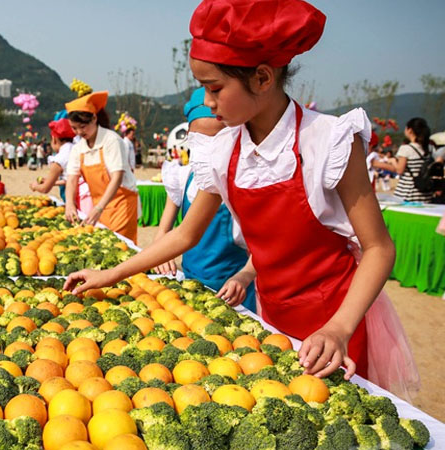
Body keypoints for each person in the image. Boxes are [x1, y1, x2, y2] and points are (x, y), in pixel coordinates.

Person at [65, 0, 418, 398]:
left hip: (336, 321)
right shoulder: (224, 150)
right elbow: (184, 235)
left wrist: (339, 327)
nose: (208, 101)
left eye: (214, 88)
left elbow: (378, 248)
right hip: (270, 319)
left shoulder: (329, 140)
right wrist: (109, 274)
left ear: (263, 78)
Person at [154, 87, 256, 311]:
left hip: (232, 294)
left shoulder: (243, 182)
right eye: (200, 139)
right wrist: (160, 254)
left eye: (216, 138)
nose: (209, 148)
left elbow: (263, 247)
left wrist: (245, 275)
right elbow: (166, 231)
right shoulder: (183, 177)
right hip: (189, 285)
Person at [64, 91, 139, 243]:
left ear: (94, 118)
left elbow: (116, 177)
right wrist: (70, 204)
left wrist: (99, 207)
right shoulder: (78, 148)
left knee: (121, 246)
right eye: (74, 128)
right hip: (99, 204)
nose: (79, 132)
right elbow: (71, 179)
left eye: (82, 127)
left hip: (121, 203)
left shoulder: (111, 140)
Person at [31, 118, 93, 215]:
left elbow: (45, 189)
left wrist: (35, 186)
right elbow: (69, 178)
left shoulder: (59, 159)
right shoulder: (76, 148)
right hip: (91, 193)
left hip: (82, 197)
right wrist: (52, 182)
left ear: (54, 139)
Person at [373, 118, 436, 202]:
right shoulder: (430, 148)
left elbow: (399, 170)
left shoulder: (406, 148)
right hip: (426, 194)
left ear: (409, 130)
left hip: (407, 194)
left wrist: (393, 161)